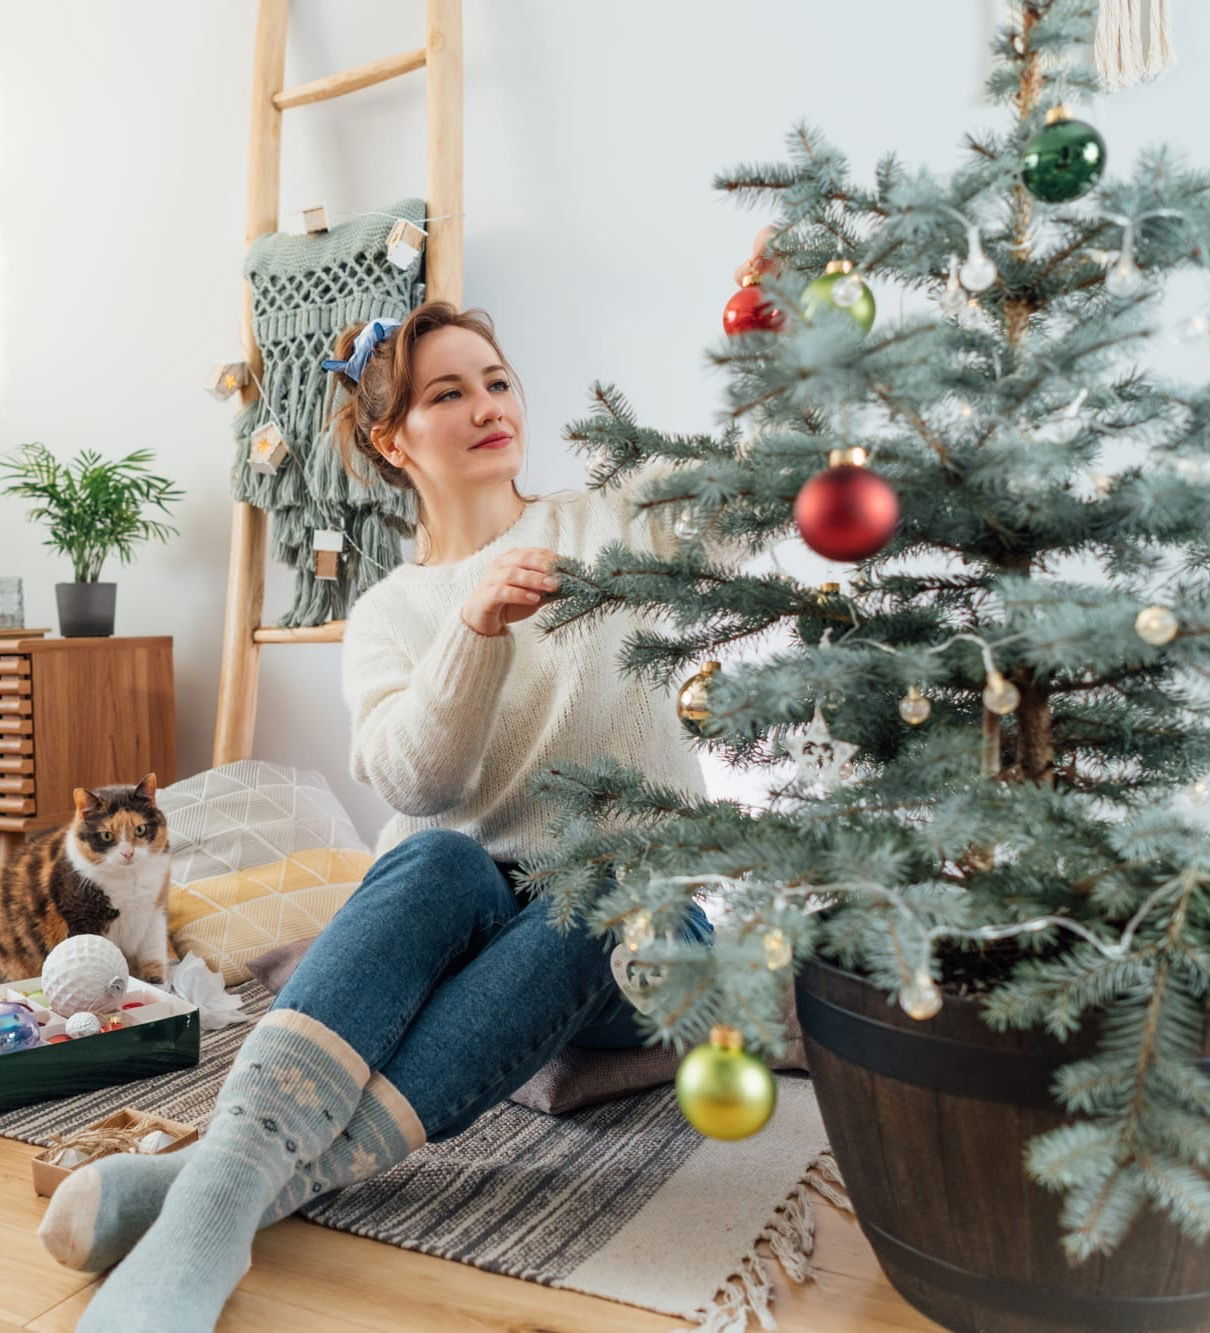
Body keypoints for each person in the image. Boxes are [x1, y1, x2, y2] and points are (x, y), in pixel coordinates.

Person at [41, 300, 723, 1331]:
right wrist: (472, 626)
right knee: (440, 859)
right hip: (482, 938)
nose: (488, 406)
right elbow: (417, 782)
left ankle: (214, 1192)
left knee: (596, 885)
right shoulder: (388, 614)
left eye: (496, 381)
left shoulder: (607, 527)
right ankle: (225, 1192)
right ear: (388, 437)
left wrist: (767, 335)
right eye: (448, 392)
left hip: (635, 936)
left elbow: (742, 504)